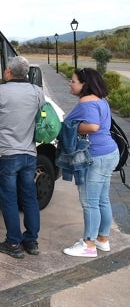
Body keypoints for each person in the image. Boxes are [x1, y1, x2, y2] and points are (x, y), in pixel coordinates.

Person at [0, 56, 43, 259]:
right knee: (30, 198)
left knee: (9, 199)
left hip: (6, 154)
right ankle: (31, 241)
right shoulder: (37, 92)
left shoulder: (0, 92)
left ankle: (13, 243)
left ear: (8, 72)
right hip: (29, 154)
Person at [62, 67, 119, 258]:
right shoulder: (101, 100)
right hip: (109, 152)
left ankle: (88, 245)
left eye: (73, 81)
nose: (70, 83)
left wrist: (75, 126)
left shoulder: (86, 101)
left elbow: (93, 126)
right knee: (102, 199)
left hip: (95, 156)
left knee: (89, 202)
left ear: (84, 85)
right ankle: (103, 240)